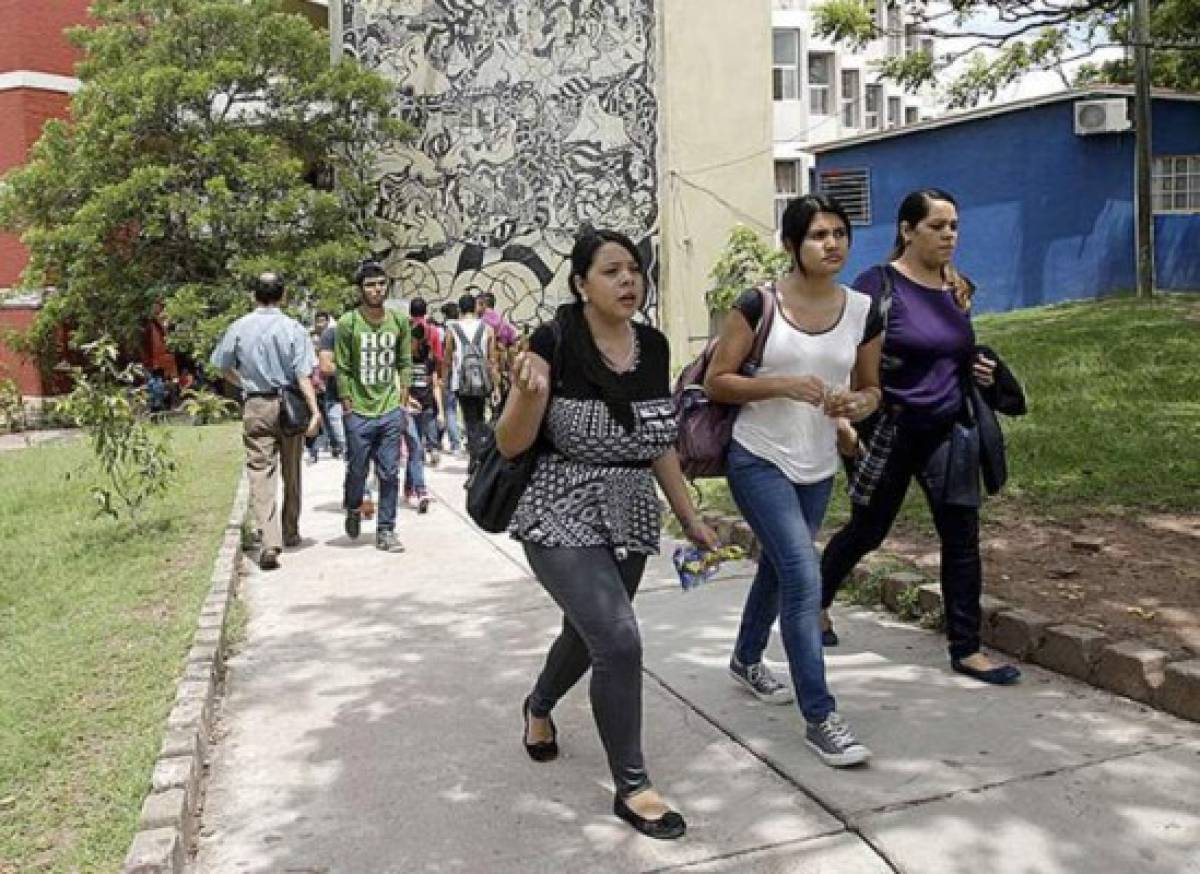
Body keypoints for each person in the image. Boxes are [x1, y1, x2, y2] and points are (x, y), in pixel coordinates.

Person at [496, 229, 719, 840]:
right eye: (612, 271)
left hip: (630, 514)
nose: (629, 281)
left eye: (635, 271)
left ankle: (538, 705)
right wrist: (524, 389)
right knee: (618, 639)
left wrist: (691, 517)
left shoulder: (652, 345)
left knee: (588, 631)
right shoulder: (555, 339)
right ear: (580, 284)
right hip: (559, 507)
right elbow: (512, 444)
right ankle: (634, 785)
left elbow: (658, 441)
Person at [703, 195, 882, 768]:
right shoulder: (760, 304)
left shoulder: (863, 310)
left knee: (780, 569)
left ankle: (745, 657)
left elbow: (872, 388)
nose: (832, 244)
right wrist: (782, 385)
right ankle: (821, 717)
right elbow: (717, 382)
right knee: (805, 578)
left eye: (840, 233)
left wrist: (855, 404)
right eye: (817, 235)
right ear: (791, 245)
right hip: (758, 457)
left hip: (818, 464)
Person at [820, 188, 1022, 686]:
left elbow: (952, 353)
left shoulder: (957, 288)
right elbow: (847, 357)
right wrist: (844, 422)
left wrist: (981, 370)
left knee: (961, 538)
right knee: (869, 530)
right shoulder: (878, 286)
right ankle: (814, 603)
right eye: (937, 226)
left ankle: (967, 649)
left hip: (948, 429)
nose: (949, 234)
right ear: (907, 230)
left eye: (954, 225)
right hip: (889, 428)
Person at [210, 272, 321, 570]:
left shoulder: (238, 327)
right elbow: (303, 374)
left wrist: (244, 382)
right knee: (291, 469)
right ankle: (290, 530)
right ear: (283, 296)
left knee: (260, 472)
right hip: (290, 405)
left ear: (253, 295)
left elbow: (221, 366)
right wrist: (315, 410)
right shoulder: (294, 329)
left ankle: (269, 539)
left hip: (256, 403)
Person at [335, 262, 413, 553]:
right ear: (360, 289)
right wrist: (347, 404)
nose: (376, 289)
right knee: (357, 469)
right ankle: (354, 506)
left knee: (390, 472)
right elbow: (342, 367)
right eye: (370, 284)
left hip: (390, 408)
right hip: (358, 411)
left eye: (380, 283)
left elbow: (405, 362)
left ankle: (386, 530)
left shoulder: (399, 322)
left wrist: (402, 401)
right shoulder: (348, 323)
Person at [442, 292, 500, 470]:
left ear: (460, 309)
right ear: (475, 307)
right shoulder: (487, 329)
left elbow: (448, 358)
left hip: (462, 381)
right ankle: (480, 454)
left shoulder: (453, 329)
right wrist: (496, 386)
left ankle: (475, 457)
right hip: (482, 380)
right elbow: (492, 360)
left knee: (469, 419)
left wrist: (445, 380)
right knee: (481, 416)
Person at [437, 301, 463, 454]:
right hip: (466, 373)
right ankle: (469, 439)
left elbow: (443, 356)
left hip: (450, 371)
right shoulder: (464, 327)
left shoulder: (444, 330)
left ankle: (455, 444)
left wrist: (443, 375)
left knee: (450, 409)